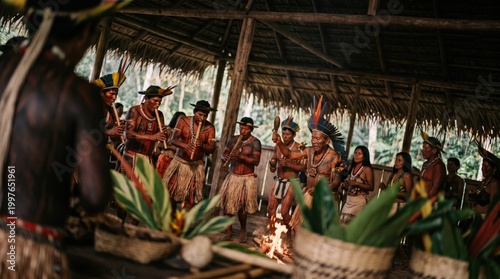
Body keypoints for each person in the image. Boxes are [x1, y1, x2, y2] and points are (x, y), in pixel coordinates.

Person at [0, 1, 130, 277]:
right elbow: (95, 196)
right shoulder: (78, 93)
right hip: (26, 250)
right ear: (83, 33)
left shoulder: (4, 67)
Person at [272, 96, 346, 229]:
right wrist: (279, 142)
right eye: (313, 138)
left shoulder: (334, 157)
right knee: (298, 226)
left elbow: (336, 182)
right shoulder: (309, 151)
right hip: (308, 197)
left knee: (317, 232)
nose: (314, 142)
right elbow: (289, 154)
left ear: (327, 140)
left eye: (318, 139)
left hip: (324, 199)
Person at [163, 100, 217, 210]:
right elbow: (173, 140)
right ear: (194, 112)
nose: (202, 118)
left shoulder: (210, 128)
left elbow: (211, 149)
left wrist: (202, 145)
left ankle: (185, 221)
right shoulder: (184, 121)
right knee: (171, 192)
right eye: (200, 115)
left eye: (205, 116)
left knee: (191, 196)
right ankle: (171, 217)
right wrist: (185, 146)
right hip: (179, 162)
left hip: (196, 165)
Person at [219, 117, 262, 243]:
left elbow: (256, 161)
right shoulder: (233, 139)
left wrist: (241, 156)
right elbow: (224, 153)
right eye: (241, 128)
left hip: (246, 178)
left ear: (251, 129)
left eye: (246, 129)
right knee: (227, 206)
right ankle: (228, 231)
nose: (243, 131)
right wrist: (225, 156)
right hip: (233, 176)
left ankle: (243, 229)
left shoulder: (255, 142)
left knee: (242, 207)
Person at [267, 117, 306, 238]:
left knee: (284, 212)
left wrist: (290, 164)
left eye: (288, 134)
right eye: (283, 133)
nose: (285, 136)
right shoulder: (278, 146)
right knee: (270, 209)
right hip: (279, 180)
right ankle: (272, 234)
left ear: (293, 135)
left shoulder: (300, 148)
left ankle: (289, 232)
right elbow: (274, 162)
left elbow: (304, 168)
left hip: (292, 182)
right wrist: (273, 163)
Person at [121, 85, 172, 169]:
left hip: (148, 157)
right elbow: (129, 134)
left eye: (160, 101)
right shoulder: (135, 110)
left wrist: (164, 134)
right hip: (131, 155)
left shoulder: (159, 115)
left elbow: (162, 139)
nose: (157, 104)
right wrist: (151, 137)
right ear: (146, 98)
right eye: (155, 101)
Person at [339, 146, 374, 224]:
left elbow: (371, 187)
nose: (356, 155)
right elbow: (350, 185)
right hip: (348, 200)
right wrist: (345, 185)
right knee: (342, 225)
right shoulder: (352, 168)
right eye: (355, 153)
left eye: (359, 154)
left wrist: (356, 183)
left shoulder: (366, 169)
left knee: (352, 227)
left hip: (359, 201)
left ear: (364, 156)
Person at [469, 141, 499, 216]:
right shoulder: (484, 182)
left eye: (486, 166)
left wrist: (481, 210)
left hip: (485, 218)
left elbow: (494, 207)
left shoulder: (494, 184)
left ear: (494, 169)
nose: (483, 168)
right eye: (483, 166)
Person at [155, 111, 186, 177]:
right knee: (160, 181)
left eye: (184, 119)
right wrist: (172, 147)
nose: (182, 121)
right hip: (164, 159)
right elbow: (159, 145)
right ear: (175, 119)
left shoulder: (184, 134)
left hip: (175, 162)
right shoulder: (168, 130)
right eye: (180, 119)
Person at [418, 131, 446, 198]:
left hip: (431, 201)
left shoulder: (438, 165)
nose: (422, 150)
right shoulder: (425, 164)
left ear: (434, 151)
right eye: (422, 148)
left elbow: (436, 187)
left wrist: (425, 200)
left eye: (426, 148)